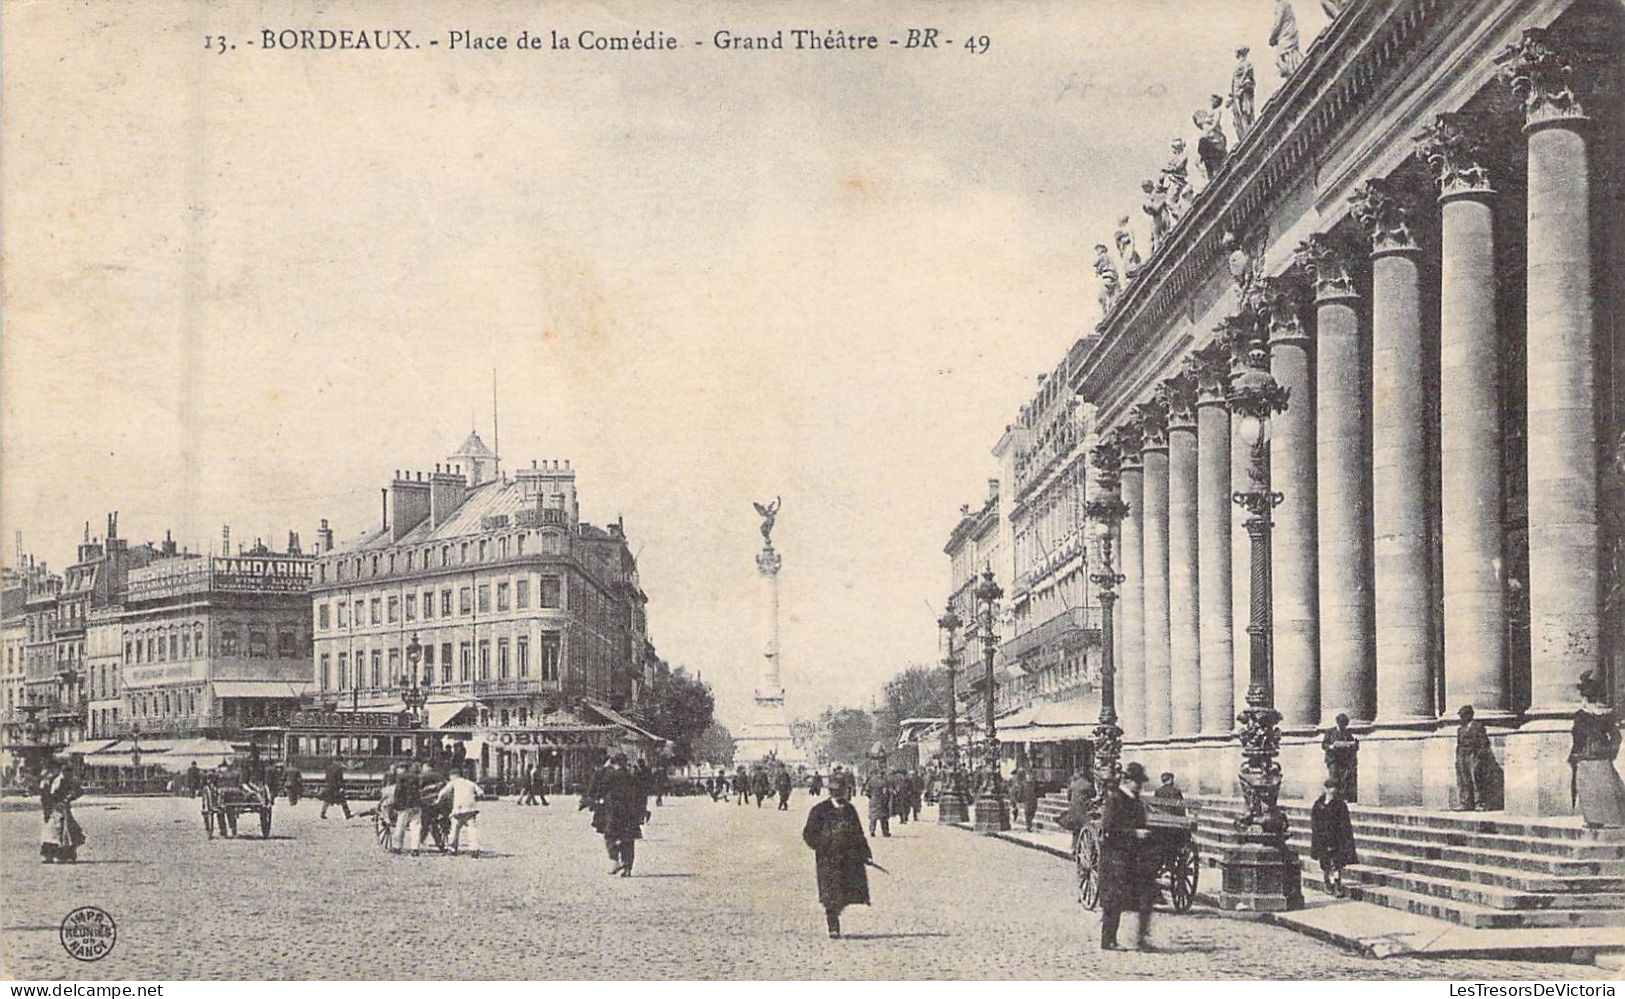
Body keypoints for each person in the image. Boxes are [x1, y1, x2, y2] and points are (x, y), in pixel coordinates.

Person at [802, 772, 871, 939]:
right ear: (831, 792)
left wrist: (864, 852)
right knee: (830, 893)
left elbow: (858, 832)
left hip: (848, 859)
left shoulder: (849, 809)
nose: (840, 795)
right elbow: (808, 834)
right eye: (837, 791)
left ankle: (836, 912)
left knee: (846, 891)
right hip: (828, 860)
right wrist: (823, 844)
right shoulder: (819, 810)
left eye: (842, 791)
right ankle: (833, 925)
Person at [1099, 762, 1156, 952]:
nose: (1139, 786)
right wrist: (1134, 833)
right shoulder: (1115, 799)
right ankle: (1109, 940)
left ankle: (1141, 939)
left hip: (1134, 857)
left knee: (1145, 896)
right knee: (1114, 900)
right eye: (1137, 782)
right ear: (1127, 780)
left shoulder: (1136, 801)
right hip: (1116, 857)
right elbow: (1109, 829)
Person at [1571, 671, 1625, 828]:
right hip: (1601, 756)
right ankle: (1608, 819)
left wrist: (1577, 754)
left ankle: (1594, 819)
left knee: (1588, 789)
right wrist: (1609, 753)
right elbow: (1616, 738)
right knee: (1607, 787)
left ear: (1585, 697)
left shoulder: (1581, 715)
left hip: (1586, 756)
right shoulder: (1606, 715)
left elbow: (1577, 736)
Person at [595, 753, 647, 876]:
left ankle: (614, 859)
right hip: (630, 812)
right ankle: (628, 868)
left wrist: (603, 768)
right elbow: (641, 794)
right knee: (628, 839)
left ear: (614, 763)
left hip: (614, 811)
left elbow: (599, 787)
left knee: (609, 835)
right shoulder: (633, 776)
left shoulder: (610, 775)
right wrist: (642, 810)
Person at [1310, 778, 1357, 897]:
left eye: (1335, 787)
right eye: (1331, 788)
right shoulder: (1318, 805)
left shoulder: (1340, 805)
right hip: (1322, 838)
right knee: (1325, 863)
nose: (1333, 790)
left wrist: (1345, 838)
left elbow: (1345, 823)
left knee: (1337, 863)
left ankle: (1337, 885)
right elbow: (1314, 823)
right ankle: (1327, 882)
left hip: (1336, 838)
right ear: (1325, 789)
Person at [40, 763, 86, 863]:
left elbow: (80, 791)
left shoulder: (70, 780)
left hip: (63, 808)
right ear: (63, 772)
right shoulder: (56, 781)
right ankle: (51, 854)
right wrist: (49, 809)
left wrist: (70, 797)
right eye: (67, 773)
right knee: (55, 831)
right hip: (55, 808)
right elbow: (49, 796)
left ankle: (65, 854)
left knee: (68, 831)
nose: (69, 775)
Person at [1455, 705, 1497, 811]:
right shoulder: (1460, 729)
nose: (1461, 718)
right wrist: (1458, 758)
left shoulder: (1478, 726)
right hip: (1462, 756)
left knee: (1477, 780)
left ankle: (1480, 803)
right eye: (1461, 716)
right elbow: (1459, 744)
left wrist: (1479, 756)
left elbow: (1484, 742)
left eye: (1463, 715)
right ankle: (1465, 803)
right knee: (1464, 780)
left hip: (1474, 755)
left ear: (1469, 715)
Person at [438, 768, 483, 856]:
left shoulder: (453, 782)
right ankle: (474, 848)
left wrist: (438, 801)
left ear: (452, 776)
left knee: (455, 828)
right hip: (471, 808)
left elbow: (443, 793)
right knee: (472, 828)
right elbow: (481, 792)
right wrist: (475, 798)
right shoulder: (470, 782)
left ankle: (452, 848)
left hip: (459, 808)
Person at [1322, 714, 1359, 802]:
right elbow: (1324, 745)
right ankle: (1333, 797)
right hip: (1333, 759)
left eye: (1345, 724)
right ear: (1338, 722)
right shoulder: (1330, 732)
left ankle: (1342, 797)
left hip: (1343, 760)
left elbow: (1355, 743)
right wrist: (1331, 746)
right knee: (1334, 777)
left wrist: (1351, 744)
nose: (1343, 726)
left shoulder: (1347, 733)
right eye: (1342, 723)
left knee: (1343, 778)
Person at [393, 762, 423, 855]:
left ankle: (397, 847)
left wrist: (396, 805)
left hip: (404, 805)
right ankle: (415, 849)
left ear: (401, 768)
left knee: (400, 826)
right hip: (416, 805)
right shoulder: (416, 777)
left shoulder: (401, 777)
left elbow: (398, 791)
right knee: (415, 827)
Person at [1268, 0, 1303, 78]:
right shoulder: (1286, 4)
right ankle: (1294, 71)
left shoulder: (1281, 5)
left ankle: (1293, 73)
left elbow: (1278, 23)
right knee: (1289, 54)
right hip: (1289, 33)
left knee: (1281, 56)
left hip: (1286, 35)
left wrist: (1272, 37)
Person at [1228, 45, 1256, 138]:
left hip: (1243, 90)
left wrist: (1241, 84)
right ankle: (1245, 131)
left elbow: (1247, 74)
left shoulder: (1246, 63)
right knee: (1239, 113)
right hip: (1237, 91)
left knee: (1245, 110)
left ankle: (1248, 129)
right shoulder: (1240, 65)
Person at [320, 753, 351, 819]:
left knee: (326, 801)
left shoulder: (328, 768)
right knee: (343, 801)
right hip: (336, 788)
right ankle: (347, 814)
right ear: (339, 761)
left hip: (329, 786)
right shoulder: (339, 769)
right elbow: (339, 779)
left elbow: (326, 778)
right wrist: (341, 787)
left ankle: (322, 813)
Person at [864, 769, 892, 838]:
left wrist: (871, 797)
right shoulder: (885, 782)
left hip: (874, 800)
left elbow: (866, 791)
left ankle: (872, 830)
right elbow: (887, 792)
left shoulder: (871, 781)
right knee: (884, 817)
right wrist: (887, 800)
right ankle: (885, 832)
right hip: (882, 801)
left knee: (873, 817)